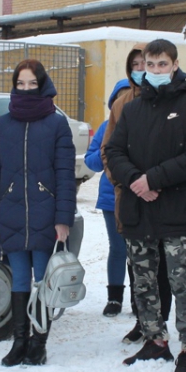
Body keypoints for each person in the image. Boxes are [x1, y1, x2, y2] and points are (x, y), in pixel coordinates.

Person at [106, 39, 186, 372]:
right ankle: (155, 339)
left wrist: (154, 179)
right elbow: (113, 150)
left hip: (175, 211)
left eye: (161, 65)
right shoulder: (133, 109)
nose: (154, 72)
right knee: (144, 282)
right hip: (139, 210)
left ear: (175, 65)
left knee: (181, 282)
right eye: (148, 66)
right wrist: (136, 180)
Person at [0, 59, 77, 368]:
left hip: (45, 216)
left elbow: (65, 175)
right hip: (10, 215)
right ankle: (19, 342)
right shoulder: (3, 125)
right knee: (19, 279)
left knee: (43, 281)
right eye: (20, 83)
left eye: (31, 83)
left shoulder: (56, 124)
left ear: (42, 84)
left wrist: (63, 220)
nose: (25, 88)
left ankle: (39, 343)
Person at [102, 45, 173, 344]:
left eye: (148, 63)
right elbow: (109, 150)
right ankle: (141, 319)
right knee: (137, 262)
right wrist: (124, 183)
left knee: (164, 264)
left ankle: (162, 321)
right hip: (131, 196)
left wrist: (157, 182)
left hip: (164, 196)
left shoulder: (174, 101)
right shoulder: (123, 104)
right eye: (136, 64)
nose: (143, 69)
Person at [85, 79, 131, 317]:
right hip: (110, 198)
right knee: (118, 247)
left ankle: (141, 298)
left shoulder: (143, 123)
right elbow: (90, 161)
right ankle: (115, 299)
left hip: (138, 195)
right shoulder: (105, 127)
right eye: (119, 99)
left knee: (139, 249)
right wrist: (107, 152)